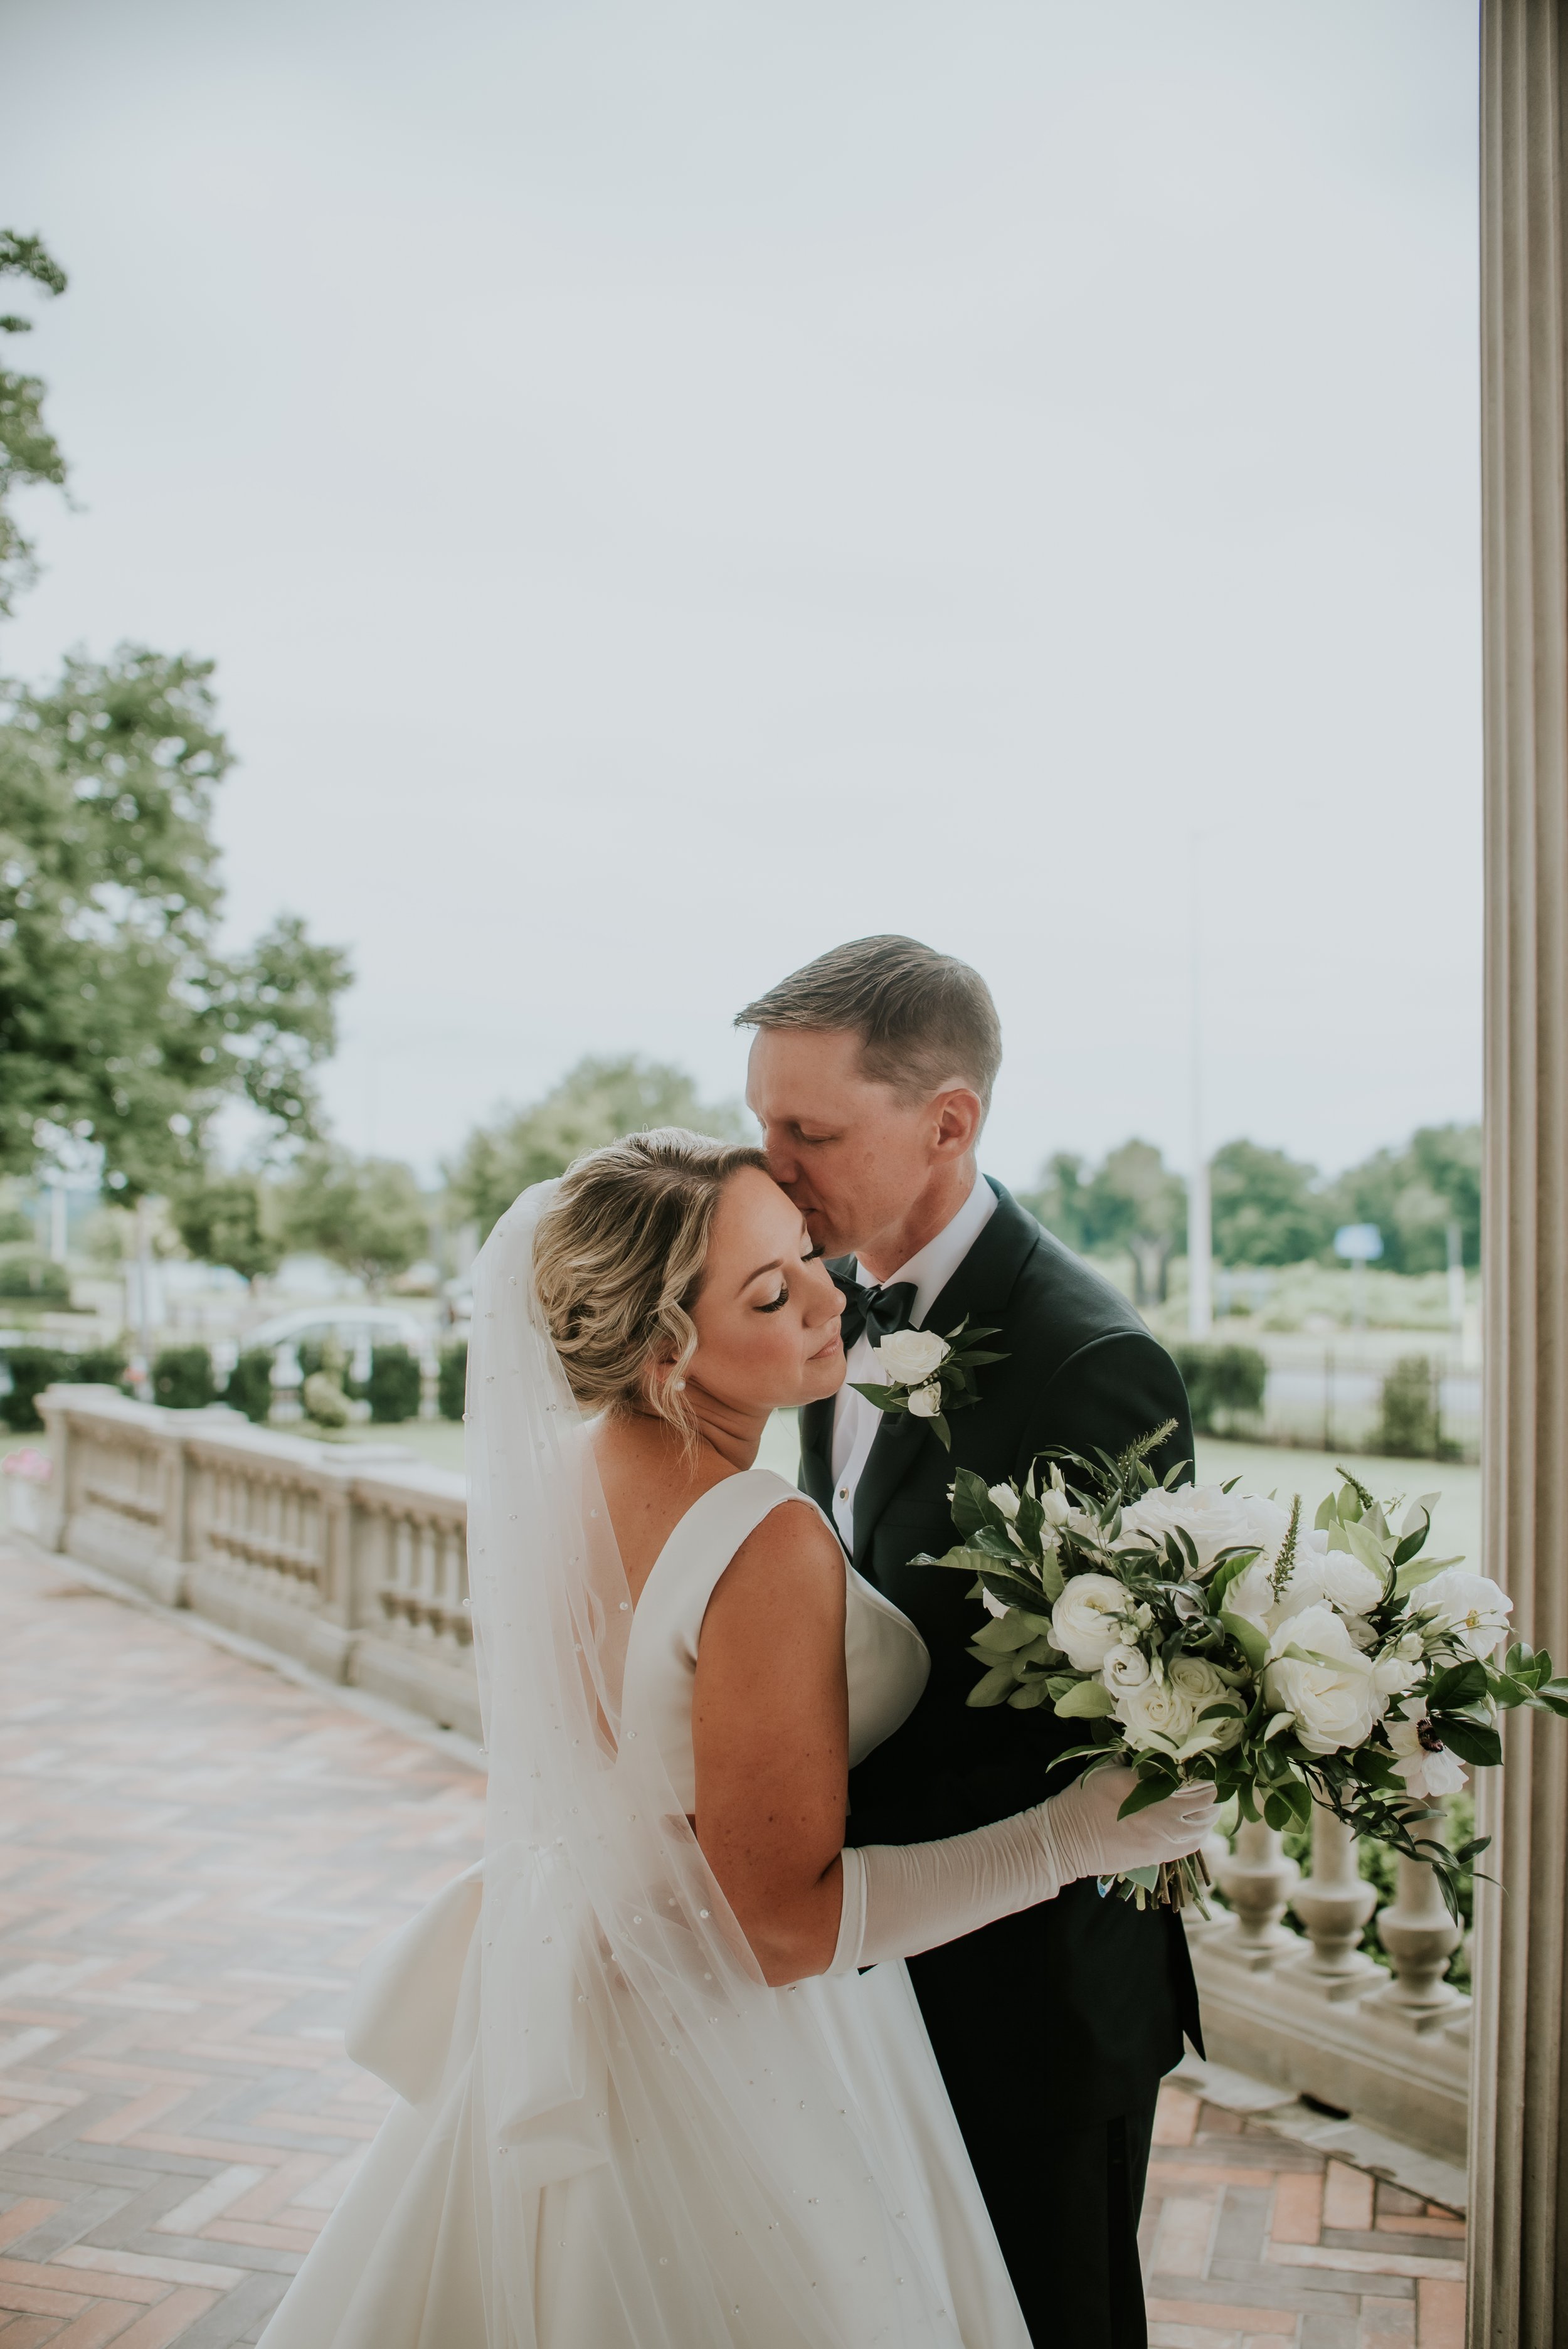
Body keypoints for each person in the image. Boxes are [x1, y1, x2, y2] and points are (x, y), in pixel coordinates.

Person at [258, 1130, 1213, 2349]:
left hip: (577, 1985)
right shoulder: (760, 1539)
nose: (833, 1298)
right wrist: (1066, 1839)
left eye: (809, 1257)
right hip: (734, 2045)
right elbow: (776, 1922)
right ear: (666, 1351)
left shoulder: (558, 1478)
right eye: (772, 1291)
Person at [738, 935, 1204, 2349]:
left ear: (948, 1121)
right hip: (873, 1965)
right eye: (758, 1125)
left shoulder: (1085, 1360)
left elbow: (1120, 1715)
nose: (767, 1168)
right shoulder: (827, 1300)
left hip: (1029, 1996)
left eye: (805, 1131)